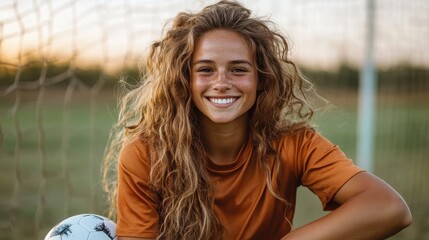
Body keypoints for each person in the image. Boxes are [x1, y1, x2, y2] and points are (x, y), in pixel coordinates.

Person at [102, 1, 412, 239]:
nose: (222, 82)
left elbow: (390, 208)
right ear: (184, 80)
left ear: (261, 79)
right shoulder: (145, 153)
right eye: (206, 69)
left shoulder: (295, 144)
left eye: (238, 69)